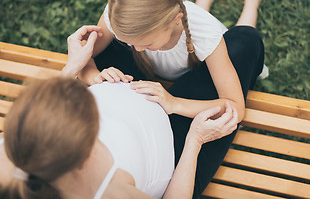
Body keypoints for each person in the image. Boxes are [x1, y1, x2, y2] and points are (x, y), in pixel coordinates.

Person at [77, 0, 266, 197]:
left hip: (196, 63)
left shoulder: (204, 33)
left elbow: (235, 106)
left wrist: (174, 103)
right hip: (164, 69)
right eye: (129, 42)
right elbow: (85, 59)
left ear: (175, 19)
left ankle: (251, 1)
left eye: (145, 44)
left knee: (241, 37)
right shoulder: (124, 21)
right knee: (109, 48)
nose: (136, 49)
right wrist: (93, 76)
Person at [0, 25, 239, 199]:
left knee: (111, 36)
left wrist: (75, 65)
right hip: (175, 143)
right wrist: (195, 140)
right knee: (244, 42)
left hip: (134, 87)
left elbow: (39, 112)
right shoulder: (111, 193)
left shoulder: (12, 152)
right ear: (84, 159)